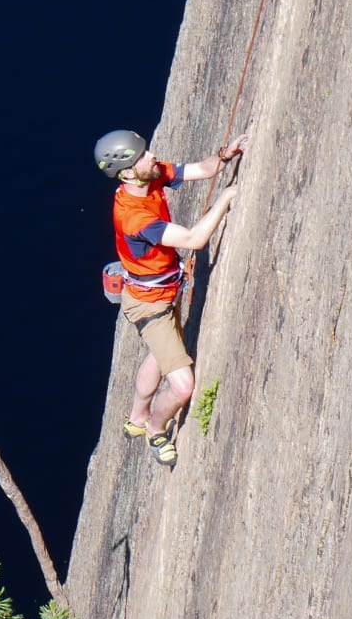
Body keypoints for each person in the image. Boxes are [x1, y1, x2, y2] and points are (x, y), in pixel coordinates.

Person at [93, 128, 248, 465]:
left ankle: (137, 416)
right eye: (143, 156)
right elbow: (193, 240)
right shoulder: (135, 217)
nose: (152, 156)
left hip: (161, 294)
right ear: (128, 173)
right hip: (150, 306)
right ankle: (156, 430)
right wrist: (225, 198)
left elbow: (202, 169)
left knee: (159, 356)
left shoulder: (149, 176)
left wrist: (225, 156)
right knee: (182, 386)